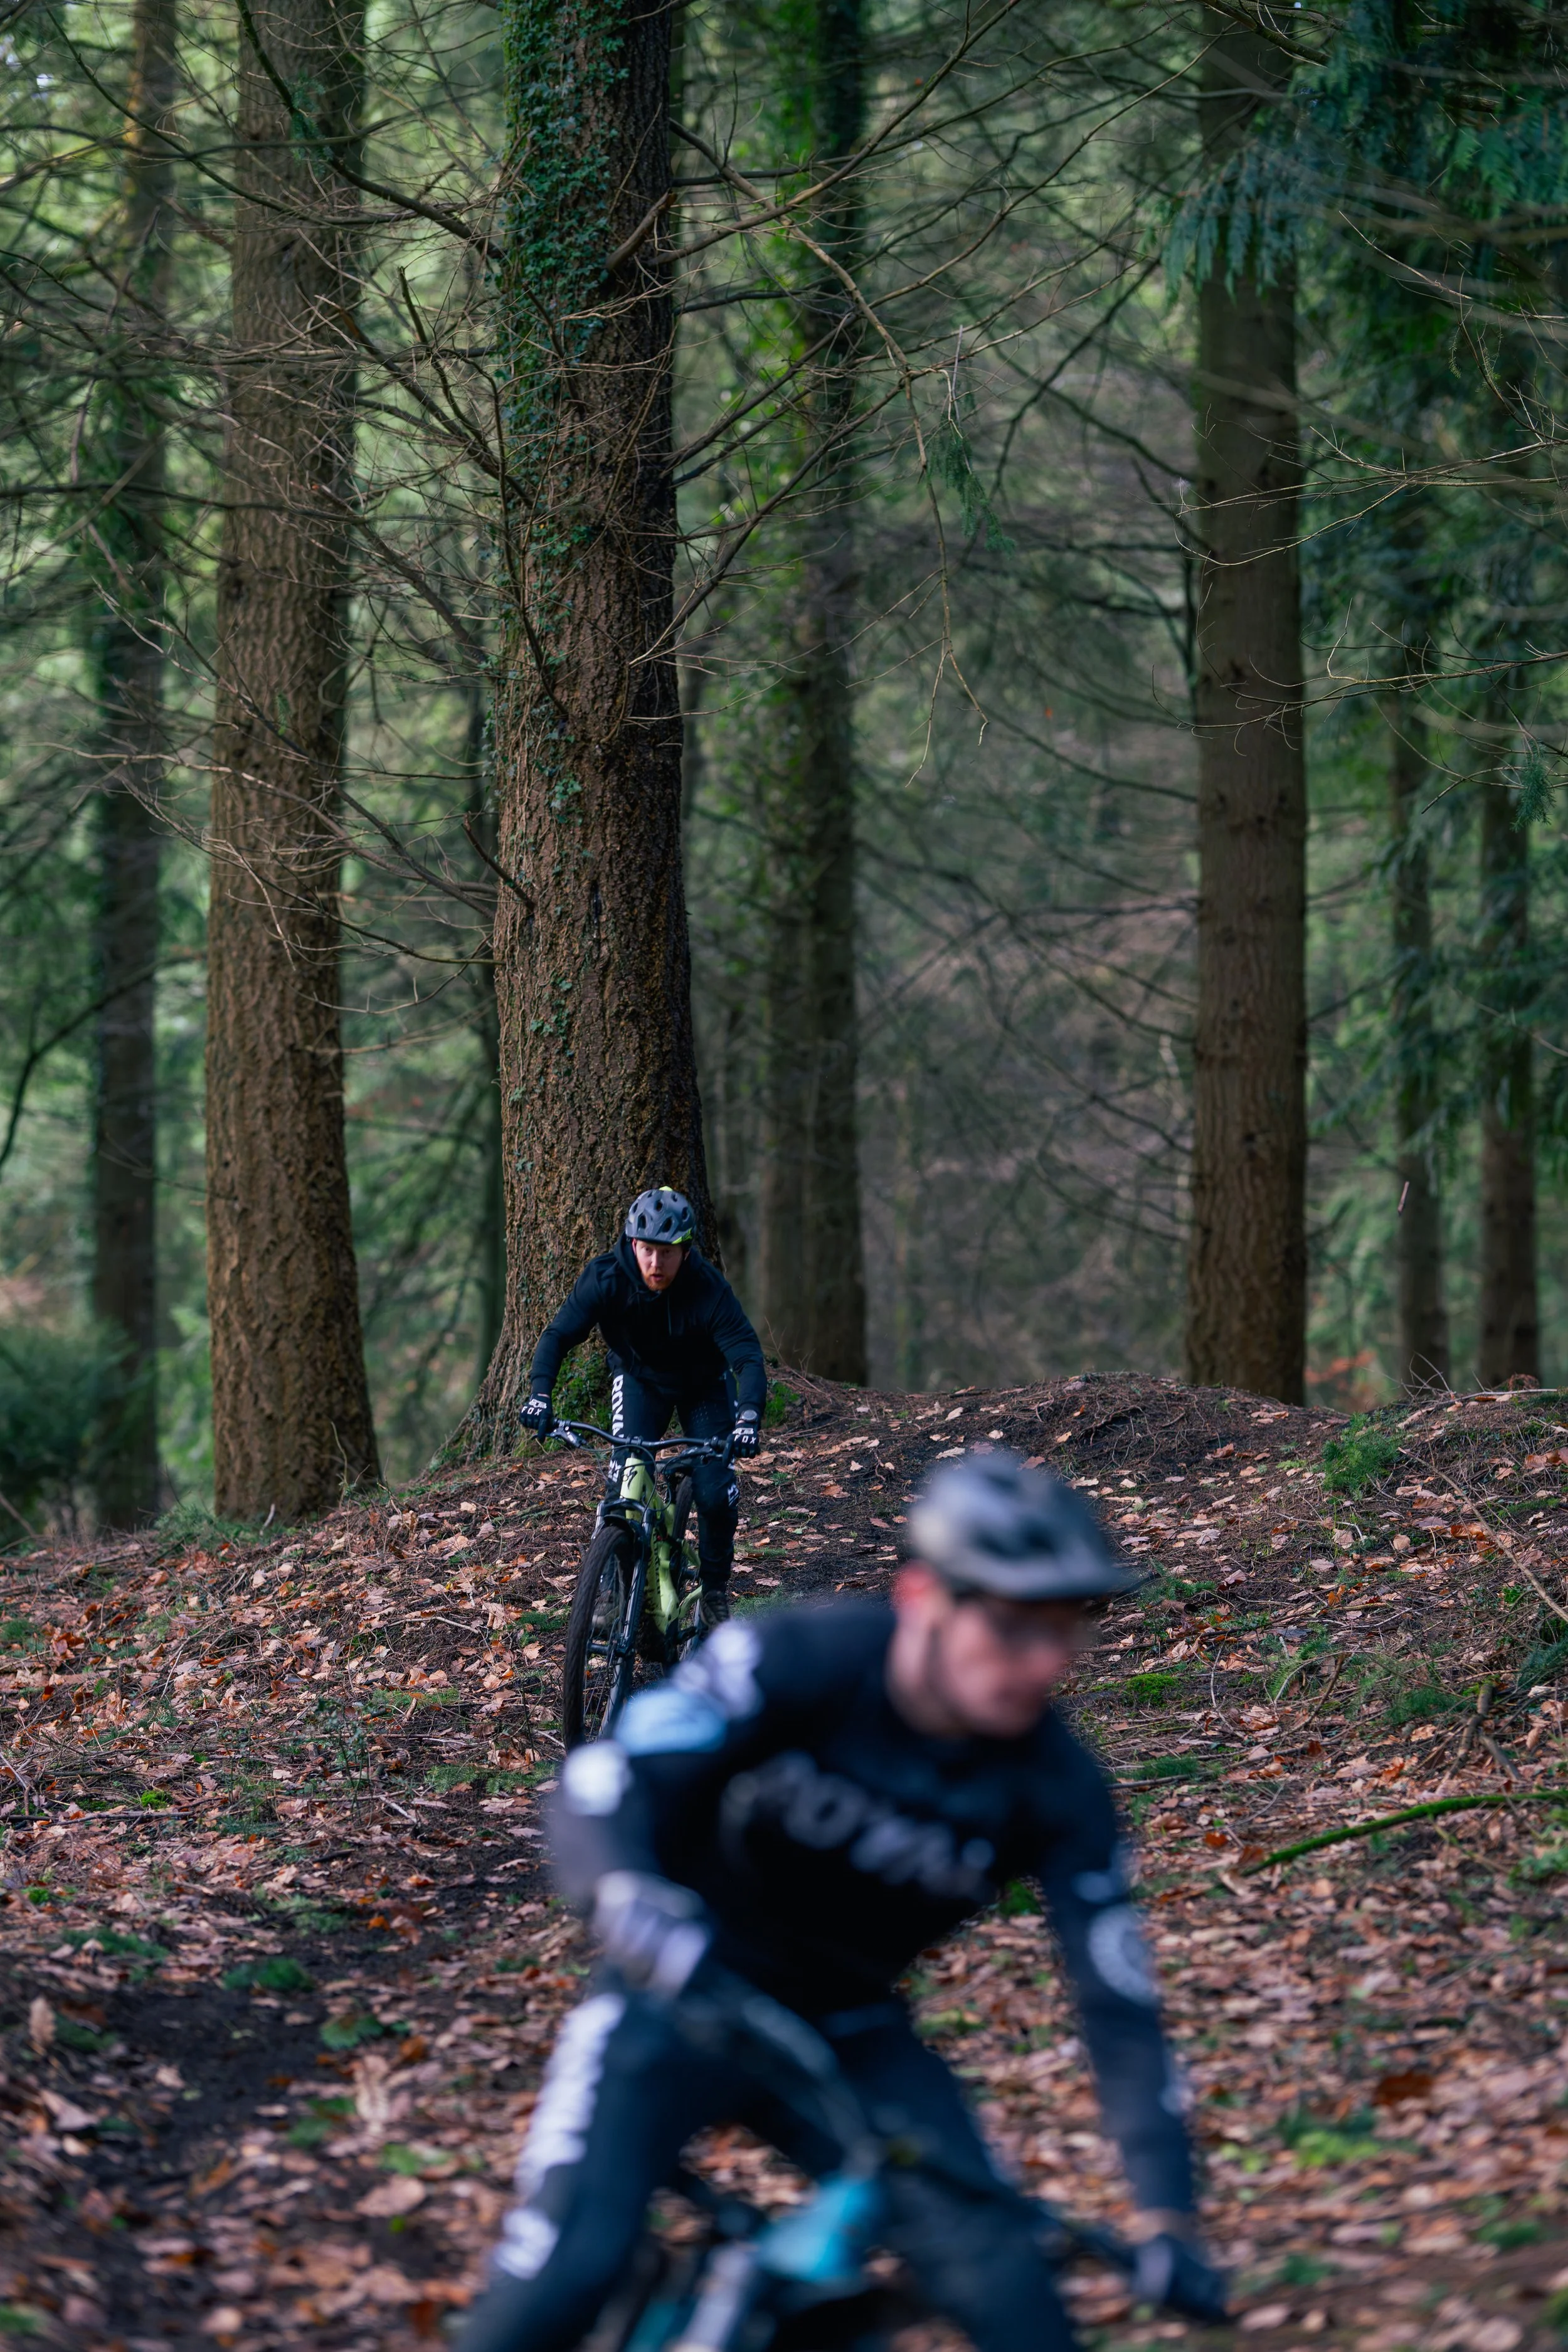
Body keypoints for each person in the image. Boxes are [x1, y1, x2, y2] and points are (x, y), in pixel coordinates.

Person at [458, 1450, 1227, 2352]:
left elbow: (1120, 2005)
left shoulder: (1054, 1785)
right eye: (1016, 1628)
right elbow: (606, 1780)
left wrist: (1169, 2218)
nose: (1044, 1662)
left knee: (1011, 2288)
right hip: (677, 1994)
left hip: (852, 2032)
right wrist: (625, 1886)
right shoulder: (799, 1658)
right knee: (563, 2275)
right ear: (922, 1598)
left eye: (1065, 1631)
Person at [521, 1187, 767, 1629]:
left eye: (668, 1254)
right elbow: (558, 1335)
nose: (656, 1264)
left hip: (703, 1387)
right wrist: (540, 1394)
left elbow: (747, 1355)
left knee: (713, 1490)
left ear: (686, 1253)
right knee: (624, 1484)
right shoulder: (606, 1278)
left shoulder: (708, 1288)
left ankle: (713, 1591)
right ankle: (615, 1591)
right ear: (633, 1244)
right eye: (648, 1251)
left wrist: (748, 1417)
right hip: (638, 1380)